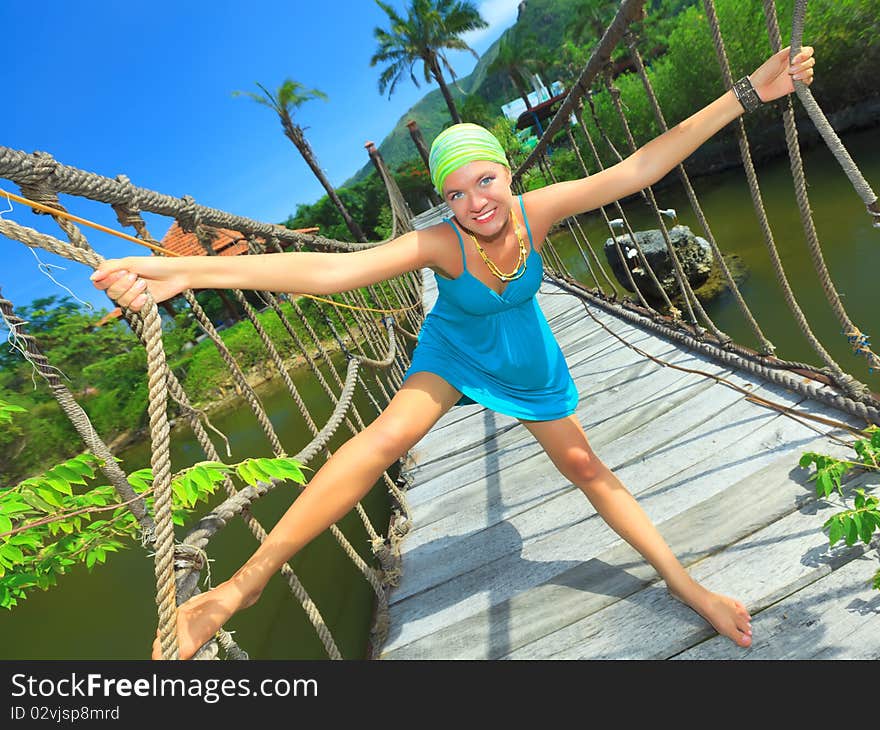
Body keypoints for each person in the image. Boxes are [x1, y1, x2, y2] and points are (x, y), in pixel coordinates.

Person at [91, 46, 815, 660]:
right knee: (387, 438)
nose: (475, 201)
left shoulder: (542, 208)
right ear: (444, 201)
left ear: (507, 173)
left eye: (485, 179)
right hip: (453, 348)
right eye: (455, 191)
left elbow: (641, 168)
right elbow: (330, 272)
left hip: (523, 350)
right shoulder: (440, 244)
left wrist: (747, 92)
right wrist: (188, 271)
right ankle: (240, 585)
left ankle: (686, 586)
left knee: (585, 465)